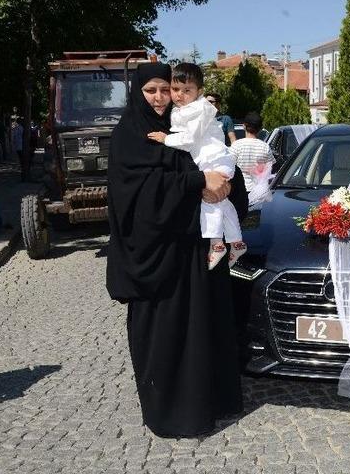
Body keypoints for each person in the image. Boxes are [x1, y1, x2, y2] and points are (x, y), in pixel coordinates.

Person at [106, 62, 246, 438]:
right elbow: (136, 194)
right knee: (166, 336)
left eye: (165, 90)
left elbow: (216, 160)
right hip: (159, 258)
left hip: (195, 251)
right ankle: (169, 413)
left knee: (206, 327)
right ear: (137, 92)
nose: (159, 97)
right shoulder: (129, 135)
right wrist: (196, 182)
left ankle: (213, 402)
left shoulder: (183, 124)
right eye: (151, 90)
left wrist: (225, 184)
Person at [148, 63, 247, 269]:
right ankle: (236, 242)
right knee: (221, 202)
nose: (179, 95)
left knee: (210, 201)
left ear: (199, 91)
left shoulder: (200, 109)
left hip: (213, 160)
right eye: (175, 89)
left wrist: (166, 139)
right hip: (214, 159)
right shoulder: (185, 109)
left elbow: (190, 139)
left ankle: (216, 244)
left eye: (187, 90)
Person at [231, 111, 272, 191]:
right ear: (260, 129)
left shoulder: (236, 145)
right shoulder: (265, 147)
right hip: (259, 190)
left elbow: (230, 167)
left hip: (240, 189)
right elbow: (269, 169)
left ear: (244, 126)